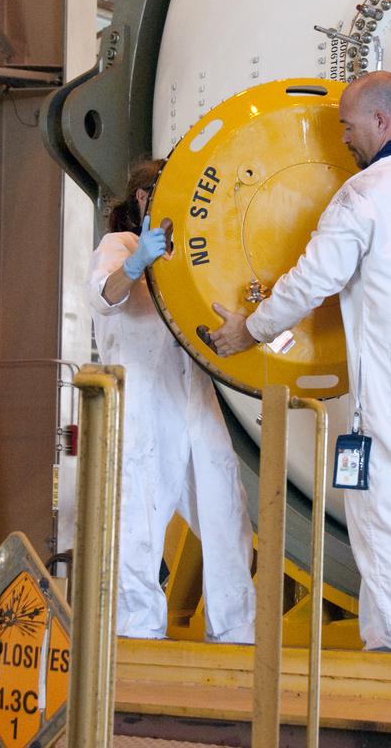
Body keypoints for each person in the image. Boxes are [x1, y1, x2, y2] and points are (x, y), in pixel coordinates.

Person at [208, 71, 391, 656]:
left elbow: (312, 280)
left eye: (346, 125)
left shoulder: (365, 193)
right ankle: (388, 648)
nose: (344, 138)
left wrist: (249, 330)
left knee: (383, 526)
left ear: (379, 121)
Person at [90, 158, 256, 643]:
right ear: (144, 199)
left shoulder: (186, 255)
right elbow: (104, 294)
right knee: (138, 514)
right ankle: (137, 631)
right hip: (142, 399)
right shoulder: (118, 246)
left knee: (226, 510)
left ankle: (236, 630)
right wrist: (137, 260)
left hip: (193, 396)